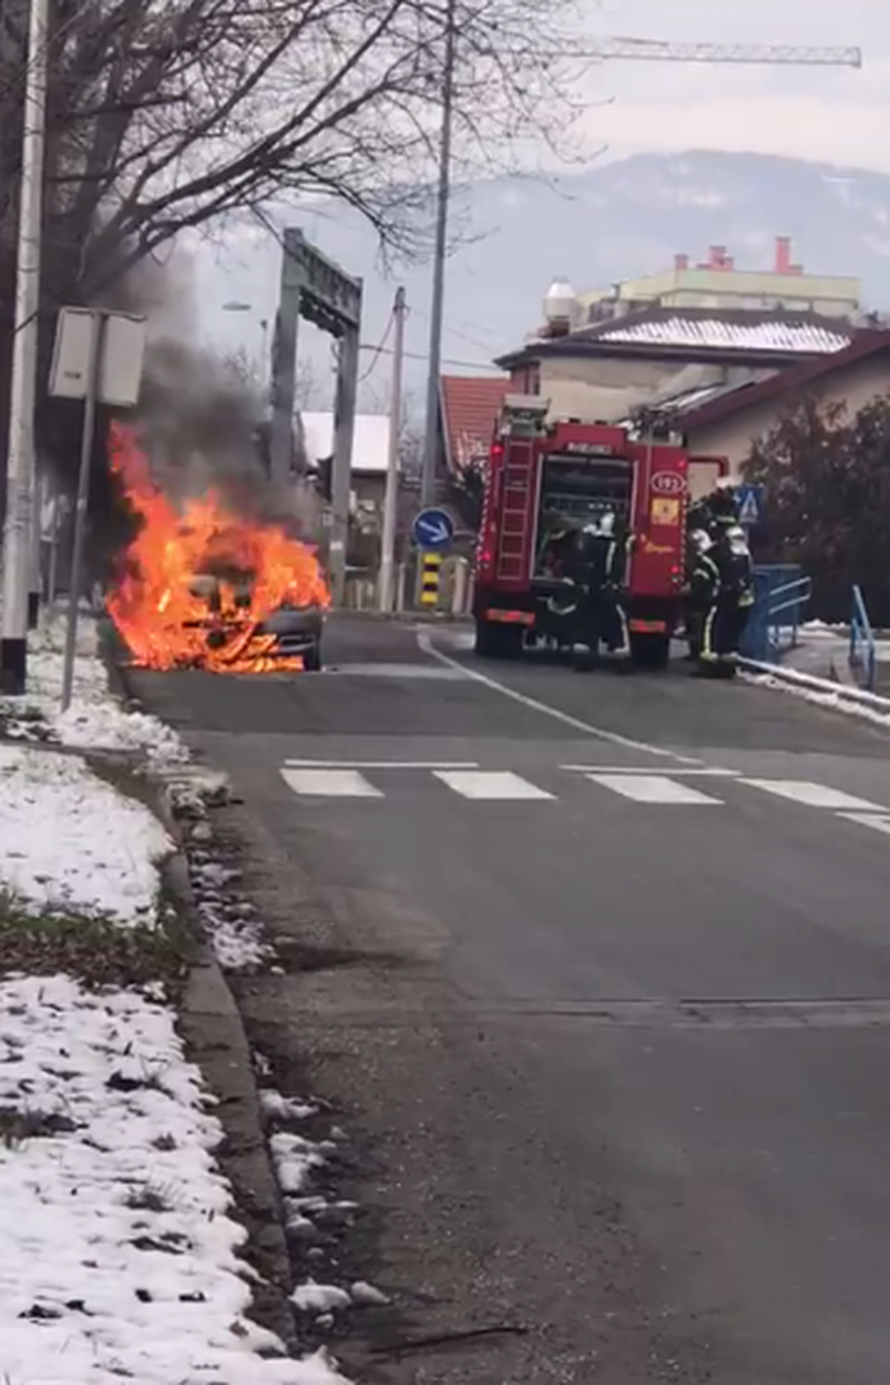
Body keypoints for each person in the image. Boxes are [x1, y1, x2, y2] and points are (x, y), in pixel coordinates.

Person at [696, 521, 755, 674]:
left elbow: (705, 576)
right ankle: (727, 661)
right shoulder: (745, 554)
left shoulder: (714, 553)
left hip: (722, 598)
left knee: (711, 627)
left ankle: (709, 662)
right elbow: (748, 575)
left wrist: (705, 593)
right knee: (731, 632)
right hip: (742, 600)